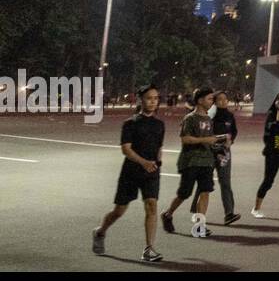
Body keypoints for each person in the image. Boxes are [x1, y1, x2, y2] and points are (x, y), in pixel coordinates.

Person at [93, 85, 166, 262]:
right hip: (131, 172)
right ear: (141, 100)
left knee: (151, 206)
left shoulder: (159, 124)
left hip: (151, 172)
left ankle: (149, 249)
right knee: (119, 210)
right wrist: (144, 163)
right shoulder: (130, 123)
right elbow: (126, 149)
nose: (153, 101)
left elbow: (159, 148)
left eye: (156, 98)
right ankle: (100, 232)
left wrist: (157, 164)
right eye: (149, 98)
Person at [161, 88, 224, 237]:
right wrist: (206, 140)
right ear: (200, 100)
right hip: (190, 161)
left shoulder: (208, 119)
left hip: (206, 161)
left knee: (205, 191)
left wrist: (218, 144)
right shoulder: (190, 118)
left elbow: (209, 139)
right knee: (185, 193)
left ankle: (200, 226)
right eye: (209, 99)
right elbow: (185, 139)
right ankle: (168, 214)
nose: (212, 102)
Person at [192, 91, 240, 225]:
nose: (223, 101)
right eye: (220, 99)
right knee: (204, 183)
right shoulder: (210, 115)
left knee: (225, 182)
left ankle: (229, 213)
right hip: (210, 153)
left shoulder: (230, 116)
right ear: (214, 101)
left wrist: (231, 140)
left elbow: (234, 131)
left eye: (225, 99)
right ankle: (197, 212)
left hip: (224, 153)